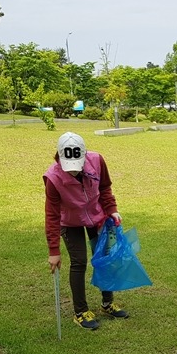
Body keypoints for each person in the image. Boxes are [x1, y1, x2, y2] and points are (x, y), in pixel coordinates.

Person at [44, 132, 129, 330]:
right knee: (79, 261)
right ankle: (80, 312)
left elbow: (105, 187)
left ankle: (107, 303)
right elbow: (52, 216)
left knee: (104, 258)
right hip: (69, 221)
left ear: (84, 155)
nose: (73, 171)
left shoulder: (97, 160)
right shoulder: (53, 178)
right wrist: (54, 251)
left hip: (96, 216)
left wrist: (112, 210)